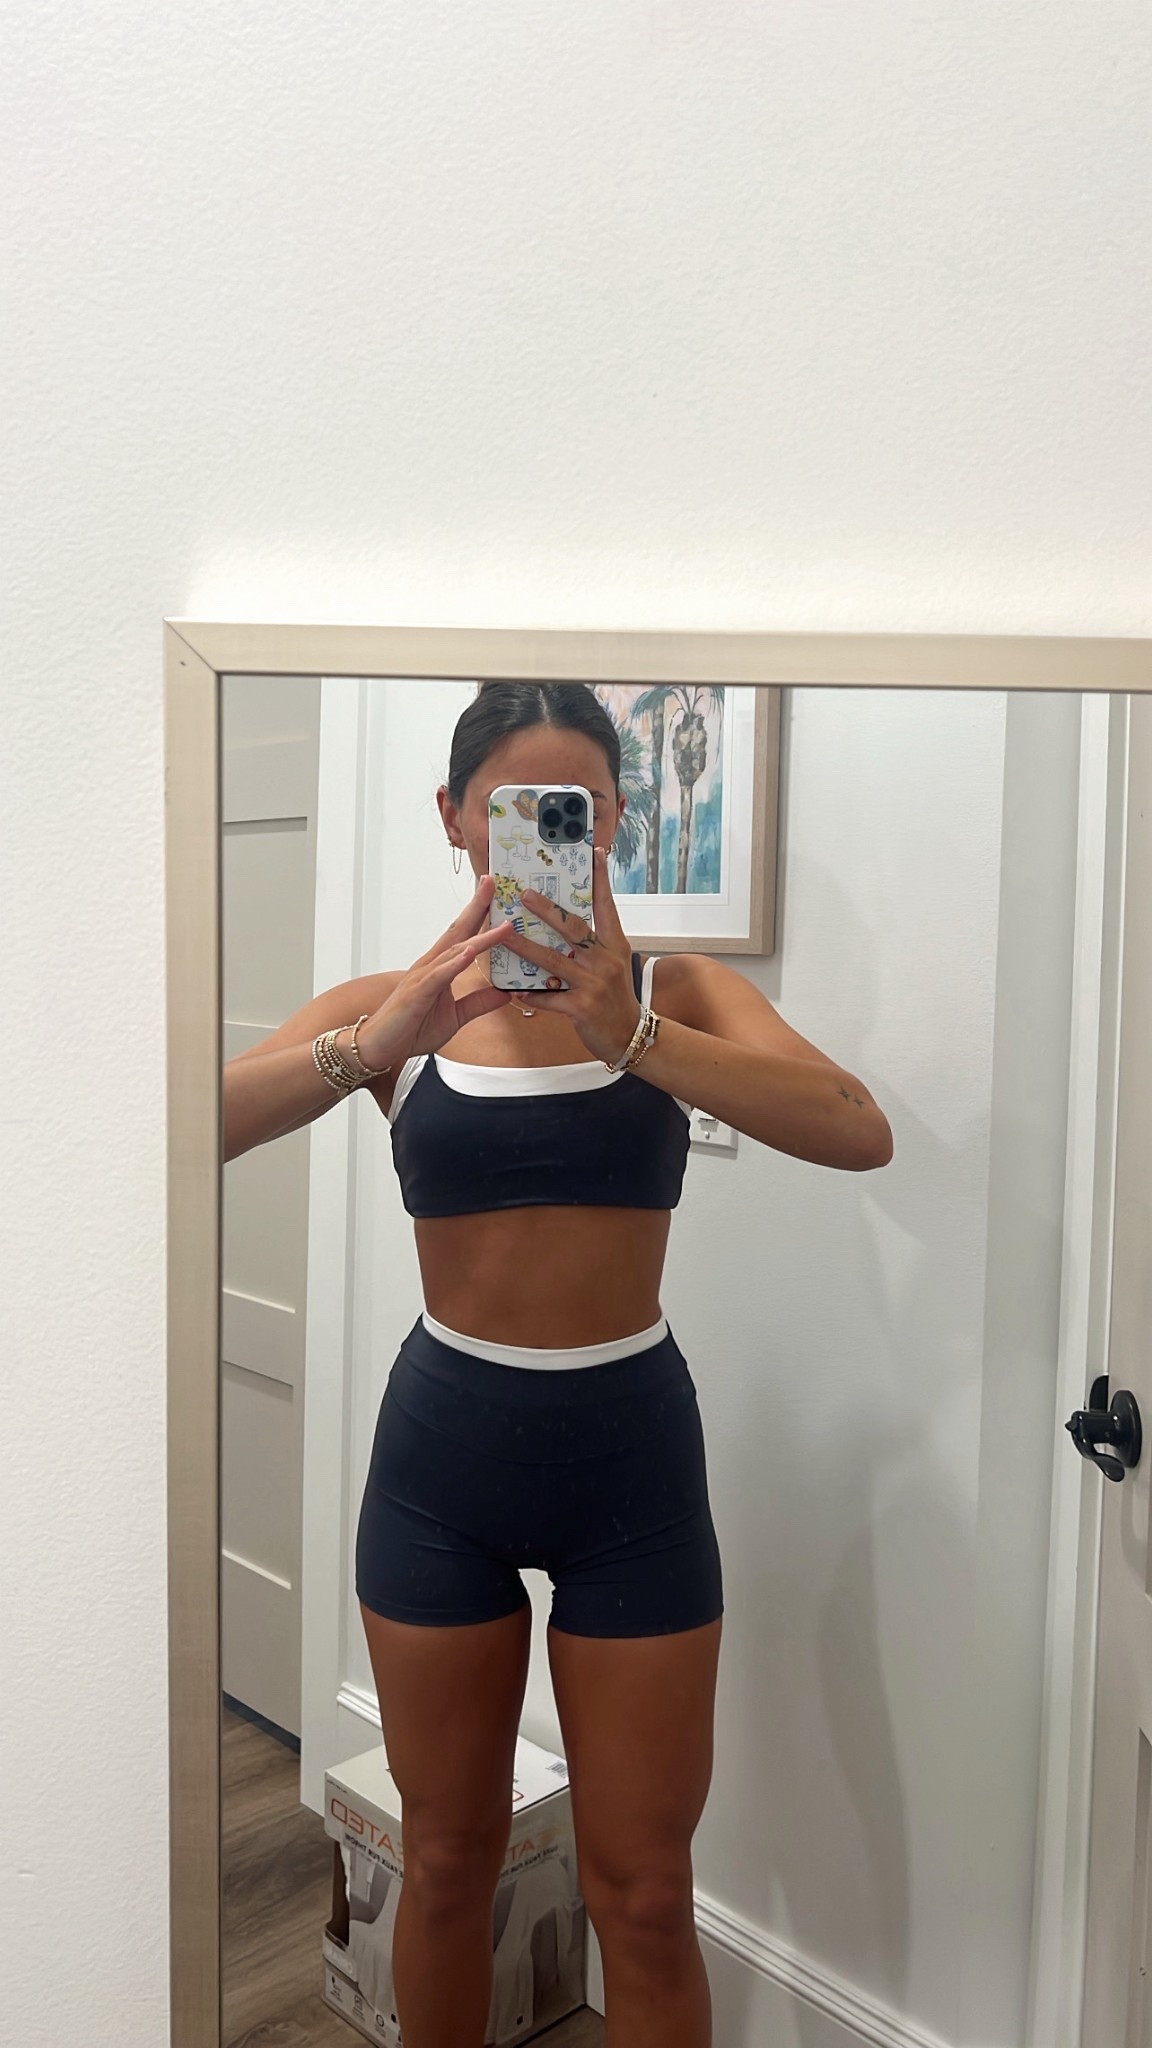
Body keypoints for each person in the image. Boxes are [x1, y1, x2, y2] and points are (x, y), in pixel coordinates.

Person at [224, 681, 894, 2048]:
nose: (543, 835)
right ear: (456, 817)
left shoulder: (674, 991)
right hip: (442, 1465)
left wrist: (633, 1039)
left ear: (614, 827)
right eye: (515, 807)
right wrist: (376, 1045)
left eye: (575, 811)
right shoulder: (394, 1007)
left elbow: (856, 1127)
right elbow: (183, 1127)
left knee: (644, 1895)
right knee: (447, 1860)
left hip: (630, 1467)